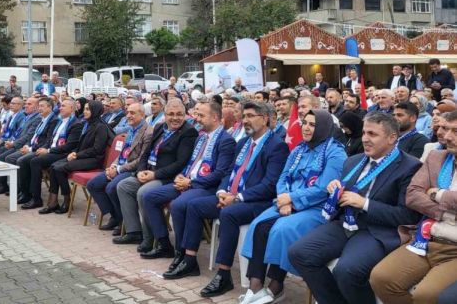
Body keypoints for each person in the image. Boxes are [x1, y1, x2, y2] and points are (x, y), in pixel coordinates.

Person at [289, 112, 422, 304]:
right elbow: (341, 200)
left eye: (372, 134)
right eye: (364, 133)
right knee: (299, 253)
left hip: (377, 231)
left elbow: (408, 216)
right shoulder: (353, 161)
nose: (365, 139)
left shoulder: (410, 167)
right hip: (346, 223)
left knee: (347, 270)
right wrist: (334, 191)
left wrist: (365, 204)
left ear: (392, 137)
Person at [163, 103, 289, 295]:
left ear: (264, 119)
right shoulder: (243, 143)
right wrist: (222, 192)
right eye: (244, 116)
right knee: (194, 206)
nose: (245, 120)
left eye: (250, 116)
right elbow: (228, 173)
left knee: (229, 214)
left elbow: (270, 185)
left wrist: (237, 197)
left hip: (257, 201)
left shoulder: (276, 146)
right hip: (231, 196)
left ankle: (224, 274)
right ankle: (189, 260)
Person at [235, 110, 346, 303]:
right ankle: (255, 288)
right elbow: (282, 178)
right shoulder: (298, 150)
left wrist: (292, 199)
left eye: (312, 124)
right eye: (304, 123)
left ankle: (276, 287)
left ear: (323, 127)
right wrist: (284, 198)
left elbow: (323, 189)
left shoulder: (336, 152)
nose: (306, 128)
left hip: (316, 208)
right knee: (258, 226)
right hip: (287, 202)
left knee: (282, 229)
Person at [370, 110, 457, 303]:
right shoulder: (437, 157)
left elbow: (427, 195)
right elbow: (413, 195)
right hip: (425, 239)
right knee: (381, 278)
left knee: (426, 295)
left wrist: (438, 194)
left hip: (454, 249)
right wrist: (445, 212)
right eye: (445, 129)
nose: (447, 137)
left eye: (455, 131)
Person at [139, 102, 236, 259]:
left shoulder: (226, 140)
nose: (196, 119)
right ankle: (164, 245)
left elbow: (220, 173)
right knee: (149, 197)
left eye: (201, 116)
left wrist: (190, 183)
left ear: (215, 118)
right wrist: (181, 176)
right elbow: (192, 163)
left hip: (205, 187)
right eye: (196, 115)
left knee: (178, 205)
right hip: (188, 182)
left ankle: (181, 254)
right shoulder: (201, 137)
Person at [113, 99, 198, 251]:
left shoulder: (188, 132)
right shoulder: (159, 127)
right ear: (164, 115)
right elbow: (145, 153)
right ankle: (134, 231)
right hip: (148, 172)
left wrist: (154, 175)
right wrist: (140, 171)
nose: (175, 118)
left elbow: (180, 163)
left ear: (185, 115)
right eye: (171, 114)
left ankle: (151, 238)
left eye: (179, 114)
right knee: (123, 186)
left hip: (167, 177)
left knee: (143, 192)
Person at [88, 103, 151, 234]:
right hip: (120, 167)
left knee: (112, 188)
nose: (128, 116)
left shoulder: (148, 132)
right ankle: (116, 216)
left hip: (132, 170)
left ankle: (124, 222)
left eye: (132, 113)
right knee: (93, 184)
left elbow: (141, 160)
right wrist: (113, 166)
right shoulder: (131, 129)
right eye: (128, 112)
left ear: (142, 115)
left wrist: (118, 169)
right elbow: (123, 153)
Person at [39, 100, 110, 215]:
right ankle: (53, 201)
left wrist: (77, 154)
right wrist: (74, 153)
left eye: (88, 109)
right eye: (85, 109)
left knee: (59, 168)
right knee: (53, 166)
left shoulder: (100, 127)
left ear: (95, 111)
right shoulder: (88, 123)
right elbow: (81, 144)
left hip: (93, 160)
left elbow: (97, 149)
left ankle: (67, 200)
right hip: (82, 155)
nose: (85, 111)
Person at [17, 99, 81, 207]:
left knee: (35, 161)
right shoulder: (60, 121)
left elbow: (69, 146)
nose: (60, 108)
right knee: (25, 160)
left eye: (63, 106)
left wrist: (48, 150)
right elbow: (50, 140)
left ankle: (36, 198)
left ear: (72, 108)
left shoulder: (76, 124)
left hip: (63, 154)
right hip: (52, 151)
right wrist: (43, 148)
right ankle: (26, 193)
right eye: (60, 106)